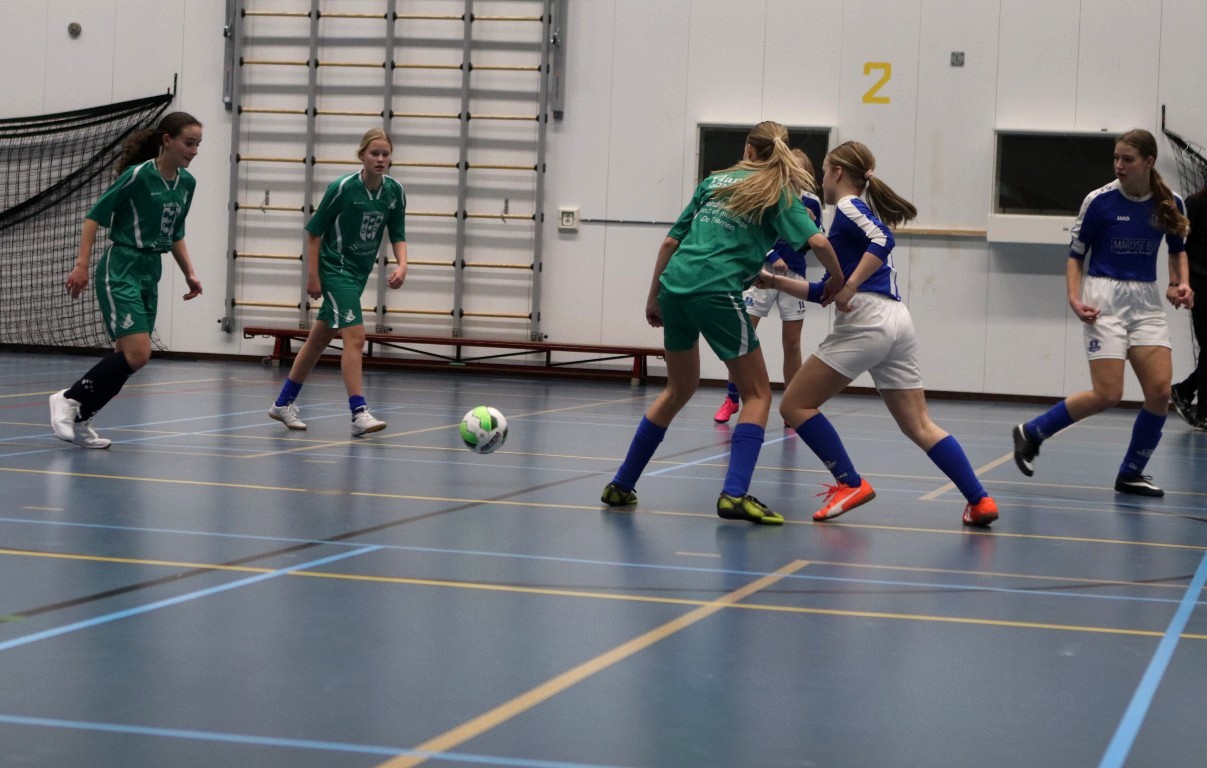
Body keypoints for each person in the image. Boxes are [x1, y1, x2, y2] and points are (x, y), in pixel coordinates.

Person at [600, 121, 844, 524]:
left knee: (678, 389)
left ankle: (621, 483)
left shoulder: (713, 182)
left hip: (675, 287)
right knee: (758, 395)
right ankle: (734, 494)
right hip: (716, 291)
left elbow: (670, 241)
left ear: (748, 148)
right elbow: (818, 241)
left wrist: (653, 297)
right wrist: (836, 280)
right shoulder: (777, 190)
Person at [762, 140, 999, 526]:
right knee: (919, 425)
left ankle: (849, 482)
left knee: (794, 406)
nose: (821, 180)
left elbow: (884, 239)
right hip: (896, 320)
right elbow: (825, 292)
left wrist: (852, 285)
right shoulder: (848, 218)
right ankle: (980, 500)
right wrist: (773, 281)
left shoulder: (848, 206)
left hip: (867, 319)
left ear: (838, 172)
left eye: (824, 172)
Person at [1012, 128, 1193, 497]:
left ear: (1148, 162)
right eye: (1116, 158)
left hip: (1145, 302)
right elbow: (1075, 257)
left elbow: (1177, 249)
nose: (1119, 165)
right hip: (1104, 299)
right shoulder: (1099, 201)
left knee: (1160, 392)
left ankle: (1131, 473)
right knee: (1108, 393)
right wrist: (1074, 298)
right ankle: (1032, 432)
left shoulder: (1169, 202)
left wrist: (1180, 283)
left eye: (1127, 159)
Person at [49, 112, 204, 449]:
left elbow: (175, 232)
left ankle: (83, 417)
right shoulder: (138, 176)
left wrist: (189, 272)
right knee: (139, 354)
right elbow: (94, 217)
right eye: (189, 143)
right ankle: (68, 398)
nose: (194, 151)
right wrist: (81, 265)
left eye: (198, 145)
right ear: (167, 140)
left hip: (151, 269)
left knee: (127, 360)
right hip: (121, 266)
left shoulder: (187, 184)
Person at [267, 128, 407, 437]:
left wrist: (402, 263)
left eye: (385, 154)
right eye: (374, 153)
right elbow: (314, 232)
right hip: (335, 268)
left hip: (358, 273)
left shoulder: (395, 191)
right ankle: (359, 413)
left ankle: (282, 403)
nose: (380, 159)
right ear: (362, 156)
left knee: (318, 339)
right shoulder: (342, 188)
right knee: (355, 338)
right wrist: (313, 275)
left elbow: (397, 231)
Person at [714, 148, 821, 425]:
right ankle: (732, 397)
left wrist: (810, 224)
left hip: (793, 277)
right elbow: (754, 231)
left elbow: (814, 240)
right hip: (761, 272)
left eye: (798, 169)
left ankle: (792, 406)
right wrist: (772, 256)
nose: (792, 173)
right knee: (743, 337)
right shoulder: (769, 193)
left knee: (792, 342)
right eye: (789, 167)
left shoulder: (811, 201)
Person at [1170, 186, 1207, 428]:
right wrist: (1177, 283)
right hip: (1200, 285)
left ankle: (1184, 390)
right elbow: (1177, 246)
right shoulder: (1194, 204)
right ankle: (1203, 413)